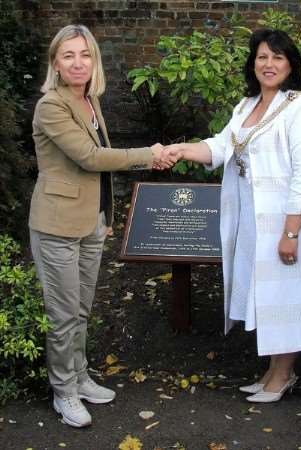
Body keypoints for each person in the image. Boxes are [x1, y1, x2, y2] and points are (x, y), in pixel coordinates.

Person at [165, 29, 301, 403]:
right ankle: (273, 371)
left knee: (285, 295)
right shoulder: (246, 105)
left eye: (277, 58)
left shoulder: (298, 108)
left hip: (288, 223)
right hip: (253, 221)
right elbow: (221, 146)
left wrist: (291, 233)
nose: (268, 65)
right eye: (262, 57)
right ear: (252, 62)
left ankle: (283, 375)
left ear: (291, 64)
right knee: (266, 297)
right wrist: (178, 149)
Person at [29, 24, 175, 428]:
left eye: (85, 55)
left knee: (80, 309)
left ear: (94, 60)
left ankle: (78, 376)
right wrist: (150, 153)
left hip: (90, 222)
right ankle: (64, 393)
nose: (78, 63)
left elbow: (97, 173)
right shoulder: (52, 106)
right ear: (55, 63)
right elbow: (91, 158)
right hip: (57, 224)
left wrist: (105, 218)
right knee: (61, 316)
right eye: (68, 55)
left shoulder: (89, 99)